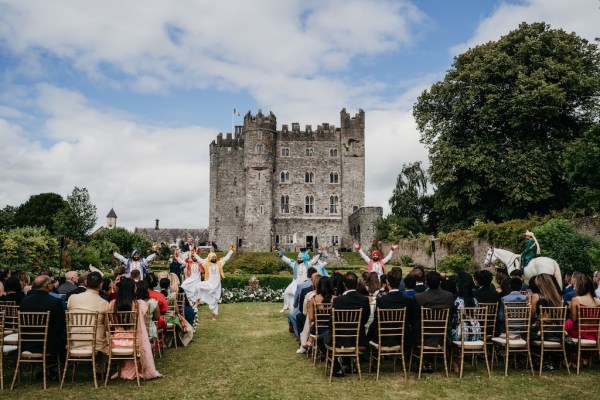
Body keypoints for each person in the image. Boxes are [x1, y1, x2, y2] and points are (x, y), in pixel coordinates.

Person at [317, 272, 370, 378]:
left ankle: (336, 368)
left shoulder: (338, 300)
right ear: (356, 284)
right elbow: (365, 319)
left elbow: (331, 323)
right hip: (358, 337)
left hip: (339, 338)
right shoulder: (364, 299)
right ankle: (349, 365)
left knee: (320, 339)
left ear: (344, 285)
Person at [108, 277, 161, 381]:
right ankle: (135, 369)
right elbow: (143, 324)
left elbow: (111, 324)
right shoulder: (140, 304)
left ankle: (124, 369)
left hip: (115, 342)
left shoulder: (112, 304)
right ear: (133, 289)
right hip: (135, 342)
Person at [414, 271, 455, 373]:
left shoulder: (419, 297)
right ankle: (428, 360)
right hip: (443, 335)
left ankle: (424, 360)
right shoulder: (449, 296)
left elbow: (414, 317)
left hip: (423, 336)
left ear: (426, 282)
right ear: (440, 282)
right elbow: (452, 315)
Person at [20, 275, 66, 364]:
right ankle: (57, 365)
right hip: (49, 344)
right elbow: (60, 324)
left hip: (27, 342)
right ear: (48, 285)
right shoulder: (54, 301)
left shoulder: (25, 301)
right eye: (52, 283)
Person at [367, 267, 416, 347]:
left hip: (384, 337)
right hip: (403, 337)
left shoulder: (381, 300)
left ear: (388, 283)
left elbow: (377, 320)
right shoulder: (408, 300)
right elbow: (411, 319)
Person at [67, 271, 109, 354]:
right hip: (96, 344)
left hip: (74, 341)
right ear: (101, 285)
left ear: (86, 283)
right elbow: (107, 326)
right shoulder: (104, 303)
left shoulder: (72, 298)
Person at [196, 245, 234, 320]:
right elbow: (199, 259)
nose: (214, 258)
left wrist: (231, 251)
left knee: (214, 301)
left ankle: (214, 315)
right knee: (197, 285)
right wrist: (193, 253)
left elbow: (226, 258)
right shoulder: (206, 264)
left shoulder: (219, 264)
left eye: (215, 257)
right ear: (210, 258)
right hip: (209, 284)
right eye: (213, 257)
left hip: (216, 287)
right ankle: (199, 299)